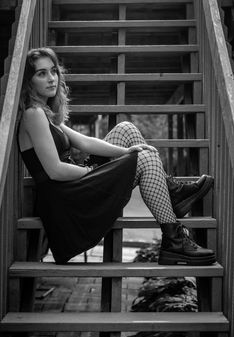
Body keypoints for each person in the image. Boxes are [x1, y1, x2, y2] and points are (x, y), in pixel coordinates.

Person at [17, 47, 215, 266]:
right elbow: (54, 170)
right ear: (29, 81)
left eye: (53, 71)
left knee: (126, 130)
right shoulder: (33, 115)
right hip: (65, 200)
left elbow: (84, 142)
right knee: (146, 160)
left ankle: (172, 196)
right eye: (41, 73)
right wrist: (92, 172)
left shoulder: (45, 113)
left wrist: (125, 152)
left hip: (72, 188)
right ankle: (174, 237)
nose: (51, 78)